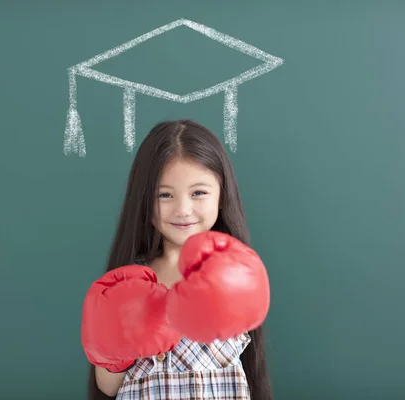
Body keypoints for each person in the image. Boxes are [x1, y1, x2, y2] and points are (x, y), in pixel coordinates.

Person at [81, 119, 273, 400]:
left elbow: (249, 365)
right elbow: (108, 387)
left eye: (198, 193)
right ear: (144, 200)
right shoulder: (130, 281)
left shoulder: (233, 269)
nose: (183, 209)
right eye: (164, 195)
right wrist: (114, 345)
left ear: (222, 195)